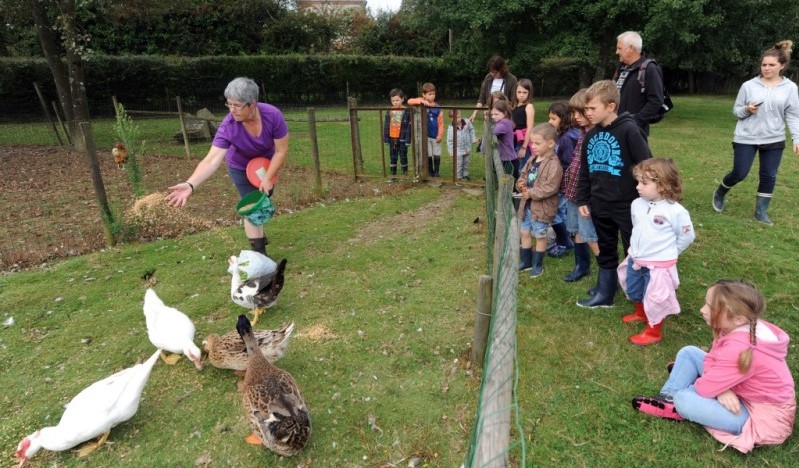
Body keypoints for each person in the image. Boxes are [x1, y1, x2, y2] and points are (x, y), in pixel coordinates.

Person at [632, 280, 796, 453]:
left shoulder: (740, 348)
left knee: (684, 398)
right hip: (743, 391)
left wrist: (716, 389)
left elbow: (704, 389)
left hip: (759, 417)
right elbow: (713, 357)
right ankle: (666, 398)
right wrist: (722, 390)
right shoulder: (742, 326)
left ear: (739, 318)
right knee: (690, 353)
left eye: (710, 307)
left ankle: (675, 402)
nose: (702, 309)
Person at [165, 77, 288, 256]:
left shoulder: (273, 115)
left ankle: (258, 230)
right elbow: (211, 160)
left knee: (264, 197)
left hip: (265, 166)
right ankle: (260, 256)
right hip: (239, 166)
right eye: (228, 104)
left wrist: (268, 177)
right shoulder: (229, 126)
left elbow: (280, 151)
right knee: (252, 207)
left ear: (252, 103)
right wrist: (191, 184)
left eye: (237, 105)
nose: (231, 110)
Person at [575, 80, 652, 309]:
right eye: (586, 109)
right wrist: (582, 198)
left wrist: (649, 196)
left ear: (610, 106)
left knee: (633, 248)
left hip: (628, 204)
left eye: (592, 109)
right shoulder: (590, 136)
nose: (588, 113)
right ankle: (606, 291)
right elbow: (585, 170)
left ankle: (638, 291)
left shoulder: (629, 129)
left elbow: (646, 164)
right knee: (606, 246)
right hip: (600, 203)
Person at [712, 40, 799, 226]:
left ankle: (761, 212)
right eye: (764, 64)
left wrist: (796, 138)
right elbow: (736, 111)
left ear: (782, 66)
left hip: (774, 138)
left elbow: (793, 115)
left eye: (771, 65)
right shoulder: (748, 86)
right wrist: (747, 110)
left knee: (769, 176)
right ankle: (720, 192)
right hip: (746, 137)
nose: (766, 68)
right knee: (740, 172)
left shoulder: (790, 88)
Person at [618, 158, 695, 346]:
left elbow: (687, 236)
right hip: (636, 259)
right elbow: (638, 228)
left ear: (663, 185)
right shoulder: (637, 204)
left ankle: (654, 332)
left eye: (644, 183)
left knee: (656, 299)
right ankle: (640, 312)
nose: (638, 186)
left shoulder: (676, 211)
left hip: (658, 266)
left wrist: (669, 252)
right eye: (637, 181)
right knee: (634, 289)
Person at [516, 123, 563, 277]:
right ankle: (526, 261)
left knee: (540, 235)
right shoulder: (532, 159)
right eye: (531, 143)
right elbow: (523, 174)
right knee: (524, 232)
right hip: (527, 206)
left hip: (541, 208)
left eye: (537, 143)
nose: (533, 146)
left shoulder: (553, 164)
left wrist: (531, 193)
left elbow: (551, 187)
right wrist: (520, 183)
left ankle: (537, 265)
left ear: (550, 143)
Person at [562, 89, 599, 283]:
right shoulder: (583, 132)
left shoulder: (596, 134)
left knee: (589, 234)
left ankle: (608, 274)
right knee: (577, 230)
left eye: (579, 112)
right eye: (574, 113)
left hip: (586, 194)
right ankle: (581, 266)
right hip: (573, 190)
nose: (576, 117)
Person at [614, 31, 665, 137]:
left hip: (635, 132)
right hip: (615, 127)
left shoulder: (650, 69)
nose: (616, 52)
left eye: (619, 48)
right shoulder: (620, 68)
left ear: (631, 48)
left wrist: (636, 120)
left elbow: (656, 101)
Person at [547, 101, 580, 258]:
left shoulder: (567, 138)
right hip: (560, 181)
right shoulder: (563, 135)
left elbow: (567, 163)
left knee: (555, 212)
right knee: (561, 211)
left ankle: (565, 243)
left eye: (553, 119)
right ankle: (565, 239)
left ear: (564, 118)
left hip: (563, 183)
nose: (550, 122)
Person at [408, 83, 444, 177]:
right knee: (428, 154)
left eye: (433, 94)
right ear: (424, 94)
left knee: (436, 154)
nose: (432, 96)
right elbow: (409, 101)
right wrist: (421, 101)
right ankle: (430, 171)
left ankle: (436, 171)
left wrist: (440, 135)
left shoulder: (438, 107)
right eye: (429, 94)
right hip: (425, 136)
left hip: (436, 135)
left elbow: (441, 123)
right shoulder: (421, 102)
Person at [470, 56, 519, 122]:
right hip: (488, 117)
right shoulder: (488, 77)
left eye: (495, 72)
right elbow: (482, 98)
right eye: (491, 72)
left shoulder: (512, 79)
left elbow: (513, 101)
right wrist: (475, 113)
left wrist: (500, 111)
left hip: (504, 117)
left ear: (502, 70)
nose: (492, 74)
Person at [383, 88, 412, 182]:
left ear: (402, 99)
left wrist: (408, 139)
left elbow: (409, 126)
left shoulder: (407, 111)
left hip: (402, 138)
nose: (395, 102)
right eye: (393, 101)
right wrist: (386, 138)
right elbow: (386, 125)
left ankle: (404, 175)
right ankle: (393, 176)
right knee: (393, 157)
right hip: (392, 138)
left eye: (397, 100)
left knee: (403, 156)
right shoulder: (389, 111)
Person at [490, 99, 519, 178]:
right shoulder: (502, 122)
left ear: (505, 113)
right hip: (505, 158)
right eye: (492, 114)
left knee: (508, 186)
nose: (493, 116)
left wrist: (489, 127)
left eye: (496, 114)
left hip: (509, 161)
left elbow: (493, 131)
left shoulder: (504, 123)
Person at [511, 79, 536, 169]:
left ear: (529, 93)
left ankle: (522, 183)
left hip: (522, 141)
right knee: (515, 166)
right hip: (513, 139)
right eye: (519, 92)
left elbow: (530, 127)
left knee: (522, 168)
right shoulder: (513, 106)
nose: (521, 95)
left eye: (525, 92)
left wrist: (524, 147)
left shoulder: (529, 106)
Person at [446, 109, 476, 181]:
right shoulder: (451, 129)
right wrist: (451, 152)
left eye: (459, 117)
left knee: (466, 163)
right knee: (459, 164)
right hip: (457, 150)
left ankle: (465, 175)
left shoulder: (467, 122)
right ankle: (458, 177)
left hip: (467, 147)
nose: (459, 119)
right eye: (456, 118)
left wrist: (473, 139)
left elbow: (471, 130)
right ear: (451, 119)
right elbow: (449, 141)